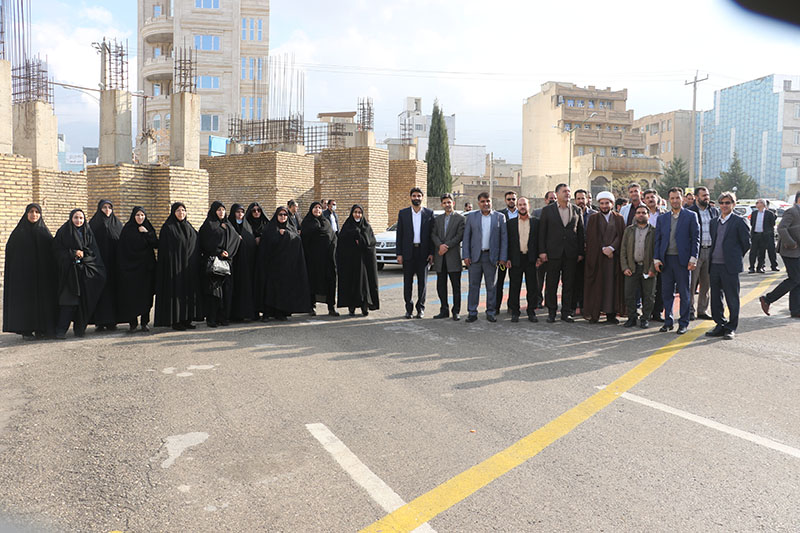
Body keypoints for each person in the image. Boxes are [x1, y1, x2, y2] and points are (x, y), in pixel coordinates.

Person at [2, 204, 57, 340]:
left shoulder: (44, 233)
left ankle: (41, 328)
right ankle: (26, 330)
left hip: (42, 277)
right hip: (24, 278)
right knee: (26, 303)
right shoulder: (18, 233)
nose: (34, 215)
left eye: (37, 212)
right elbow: (11, 255)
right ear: (26, 214)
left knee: (43, 302)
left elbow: (53, 254)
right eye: (31, 212)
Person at [53, 209, 107, 339]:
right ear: (71, 218)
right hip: (69, 273)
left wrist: (84, 256)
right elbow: (57, 251)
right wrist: (72, 253)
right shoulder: (64, 232)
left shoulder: (87, 232)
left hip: (84, 272)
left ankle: (80, 329)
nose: (78, 221)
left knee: (83, 302)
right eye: (76, 218)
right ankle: (61, 331)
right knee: (68, 303)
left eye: (81, 218)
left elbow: (93, 252)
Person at [654, 187, 700, 335]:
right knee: (666, 293)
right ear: (669, 200)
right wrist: (656, 259)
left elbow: (695, 239)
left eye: (677, 198)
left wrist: (693, 258)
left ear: (683, 199)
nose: (675, 201)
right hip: (666, 260)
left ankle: (683, 323)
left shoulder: (691, 216)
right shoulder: (662, 218)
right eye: (672, 198)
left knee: (684, 293)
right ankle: (668, 322)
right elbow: (658, 240)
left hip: (683, 261)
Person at [705, 192, 750, 340]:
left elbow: (746, 244)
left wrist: (735, 257)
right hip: (715, 265)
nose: (724, 205)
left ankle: (731, 327)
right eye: (722, 203)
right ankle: (719, 325)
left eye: (728, 203)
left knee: (732, 298)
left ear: (733, 204)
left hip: (730, 267)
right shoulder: (713, 222)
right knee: (716, 298)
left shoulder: (739, 221)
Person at [538, 183, 584, 323]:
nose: (567, 194)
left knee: (568, 284)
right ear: (557, 194)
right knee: (551, 284)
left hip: (571, 254)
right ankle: (551, 312)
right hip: (553, 253)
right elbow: (542, 233)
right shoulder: (548, 211)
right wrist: (542, 251)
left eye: (569, 191)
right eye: (564, 191)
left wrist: (580, 252)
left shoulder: (576, 210)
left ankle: (566, 312)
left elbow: (581, 233)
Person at [257, 206, 311, 320]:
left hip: (286, 267)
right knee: (270, 290)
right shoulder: (269, 229)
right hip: (271, 266)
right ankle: (267, 313)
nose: (283, 217)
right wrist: (277, 234)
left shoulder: (291, 228)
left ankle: (281, 312)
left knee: (283, 291)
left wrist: (286, 234)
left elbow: (297, 240)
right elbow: (265, 246)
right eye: (280, 215)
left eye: (285, 215)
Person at [154, 202, 201, 331]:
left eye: (183, 210)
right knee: (176, 293)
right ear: (173, 212)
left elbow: (196, 242)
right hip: (174, 267)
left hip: (188, 268)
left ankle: (187, 319)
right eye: (178, 211)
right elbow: (164, 250)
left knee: (188, 294)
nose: (181, 213)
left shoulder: (189, 226)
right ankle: (176, 321)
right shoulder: (168, 228)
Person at [462, 192, 507, 323]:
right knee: (473, 286)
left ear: (491, 202)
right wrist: (466, 255)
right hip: (475, 257)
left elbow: (504, 239)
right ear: (478, 203)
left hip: (491, 257)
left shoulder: (499, 217)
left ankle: (491, 312)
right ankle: (472, 312)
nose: (485, 204)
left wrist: (502, 257)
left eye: (488, 201)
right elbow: (466, 238)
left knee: (491, 287)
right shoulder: (472, 217)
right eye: (482, 201)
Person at [583, 191, 625, 324]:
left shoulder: (619, 218)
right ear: (599, 204)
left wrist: (612, 248)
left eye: (607, 203)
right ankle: (595, 314)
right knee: (598, 285)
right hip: (598, 258)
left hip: (613, 258)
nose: (604, 206)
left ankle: (611, 315)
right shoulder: (594, 218)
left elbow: (621, 236)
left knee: (612, 286)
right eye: (602, 203)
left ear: (612, 204)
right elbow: (592, 237)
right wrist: (603, 249)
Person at [198, 202, 240, 328]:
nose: (221, 212)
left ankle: (223, 317)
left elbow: (235, 239)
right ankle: (212, 318)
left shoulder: (227, 225)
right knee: (214, 292)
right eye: (219, 210)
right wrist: (219, 252)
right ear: (213, 211)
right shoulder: (208, 225)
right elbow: (205, 243)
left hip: (226, 263)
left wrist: (228, 253)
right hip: (213, 264)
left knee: (226, 291)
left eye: (223, 210)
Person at [117, 207, 158, 333]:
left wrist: (146, 233)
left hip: (146, 270)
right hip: (131, 271)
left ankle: (145, 323)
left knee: (146, 296)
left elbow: (156, 244)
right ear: (133, 216)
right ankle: (133, 323)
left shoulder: (148, 228)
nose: (140, 217)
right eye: (138, 215)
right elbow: (122, 250)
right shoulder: (127, 230)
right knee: (132, 297)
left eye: (142, 215)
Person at [760, 191, 800, 319]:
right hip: (790, 250)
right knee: (795, 279)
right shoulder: (792, 211)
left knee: (797, 280)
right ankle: (768, 299)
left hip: (797, 251)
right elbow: (781, 228)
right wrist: (791, 243)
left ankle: (795, 310)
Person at [396, 187, 434, 319]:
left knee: (422, 283)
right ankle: (408, 309)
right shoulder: (403, 213)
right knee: (407, 283)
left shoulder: (429, 213)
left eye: (419, 196)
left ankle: (420, 309)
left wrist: (431, 253)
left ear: (422, 198)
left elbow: (431, 235)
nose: (416, 198)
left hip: (423, 254)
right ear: (410, 197)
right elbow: (399, 235)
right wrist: (399, 253)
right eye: (414, 196)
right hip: (408, 253)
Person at [337, 205, 380, 316]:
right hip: (350, 262)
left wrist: (360, 241)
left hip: (364, 263)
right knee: (351, 284)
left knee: (364, 286)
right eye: (355, 212)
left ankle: (364, 306)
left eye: (360, 212)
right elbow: (341, 243)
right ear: (352, 213)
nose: (357, 214)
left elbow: (371, 243)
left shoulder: (366, 227)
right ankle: (351, 307)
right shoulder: (347, 226)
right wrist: (354, 238)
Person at [88, 199, 123, 331]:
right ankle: (100, 321)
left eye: (109, 207)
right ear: (99, 209)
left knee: (113, 292)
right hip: (98, 264)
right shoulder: (94, 224)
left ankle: (113, 320)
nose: (107, 210)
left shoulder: (117, 224)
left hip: (114, 265)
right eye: (104, 207)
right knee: (100, 293)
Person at [621, 205, 657, 328]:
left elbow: (656, 252)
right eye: (638, 213)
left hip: (647, 268)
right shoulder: (629, 230)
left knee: (649, 295)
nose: (640, 215)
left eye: (643, 213)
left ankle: (645, 318)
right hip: (632, 267)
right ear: (635, 215)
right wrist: (625, 267)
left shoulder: (654, 231)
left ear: (648, 215)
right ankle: (632, 317)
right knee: (629, 294)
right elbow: (623, 250)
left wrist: (653, 269)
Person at [687, 186, 719, 320]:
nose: (706, 197)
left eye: (708, 195)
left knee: (706, 284)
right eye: (703, 195)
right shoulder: (689, 212)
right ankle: (689, 310)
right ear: (696, 197)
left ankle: (702, 310)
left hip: (710, 251)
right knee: (691, 283)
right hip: (696, 252)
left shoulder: (714, 211)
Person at [431, 193, 465, 321]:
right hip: (440, 258)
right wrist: (440, 245)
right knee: (441, 286)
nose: (447, 205)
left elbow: (459, 236)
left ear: (453, 203)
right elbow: (433, 235)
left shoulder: (460, 219)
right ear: (441, 204)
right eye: (444, 203)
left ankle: (456, 311)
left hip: (453, 257)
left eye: (449, 202)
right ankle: (443, 309)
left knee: (456, 286)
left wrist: (446, 246)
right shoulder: (437, 219)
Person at [301, 202, 339, 317]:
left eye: (319, 208)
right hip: (312, 261)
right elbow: (304, 240)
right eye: (315, 208)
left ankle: (331, 307)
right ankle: (311, 307)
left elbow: (333, 238)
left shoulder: (326, 222)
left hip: (327, 260)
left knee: (329, 282)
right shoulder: (307, 223)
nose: (317, 210)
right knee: (312, 283)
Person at [506, 197, 539, 323]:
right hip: (516, 258)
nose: (522, 207)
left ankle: (531, 311)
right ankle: (515, 312)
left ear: (528, 206)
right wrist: (507, 258)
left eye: (524, 204)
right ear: (517, 206)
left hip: (531, 258)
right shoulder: (511, 223)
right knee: (514, 286)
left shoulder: (536, 222)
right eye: (520, 205)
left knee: (532, 287)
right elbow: (508, 242)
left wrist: (539, 257)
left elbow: (539, 240)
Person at [228, 203, 258, 322]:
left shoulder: (247, 226)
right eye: (237, 212)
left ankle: (246, 313)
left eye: (242, 212)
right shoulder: (229, 225)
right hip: (233, 263)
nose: (240, 215)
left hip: (246, 264)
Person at [643, 188, 666, 321]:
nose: (651, 199)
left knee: (660, 285)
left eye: (653, 197)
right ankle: (646, 312)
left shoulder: (664, 214)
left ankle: (657, 312)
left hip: (661, 253)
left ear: (657, 198)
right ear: (644, 200)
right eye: (648, 197)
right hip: (645, 254)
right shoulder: (640, 214)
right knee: (646, 285)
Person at [573, 189, 597, 313]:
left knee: (590, 280)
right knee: (576, 280)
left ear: (588, 199)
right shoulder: (571, 213)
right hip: (576, 254)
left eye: (583, 198)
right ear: (575, 200)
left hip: (592, 254)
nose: (581, 201)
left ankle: (586, 305)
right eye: (578, 199)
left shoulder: (595, 214)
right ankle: (576, 305)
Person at [496, 191, 519, 313]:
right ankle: (496, 307)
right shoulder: (499, 214)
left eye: (513, 199)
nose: (511, 201)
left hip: (516, 254)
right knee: (498, 282)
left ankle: (512, 306)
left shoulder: (521, 213)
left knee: (514, 282)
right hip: (502, 254)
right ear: (505, 200)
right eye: (509, 199)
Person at [533, 190, 556, 309]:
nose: (553, 200)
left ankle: (549, 301)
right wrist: (538, 254)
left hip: (554, 254)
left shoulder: (560, 213)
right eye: (550, 198)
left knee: (551, 281)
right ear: (545, 200)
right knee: (538, 280)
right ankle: (537, 300)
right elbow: (535, 235)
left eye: (555, 198)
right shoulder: (537, 213)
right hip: (540, 253)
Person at [748, 199, 778, 273]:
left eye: (759, 202)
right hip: (755, 235)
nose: (757, 204)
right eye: (757, 202)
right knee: (753, 252)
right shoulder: (754, 213)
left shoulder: (769, 214)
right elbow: (752, 223)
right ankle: (751, 267)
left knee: (762, 252)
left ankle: (760, 267)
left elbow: (772, 224)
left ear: (764, 205)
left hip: (765, 235)